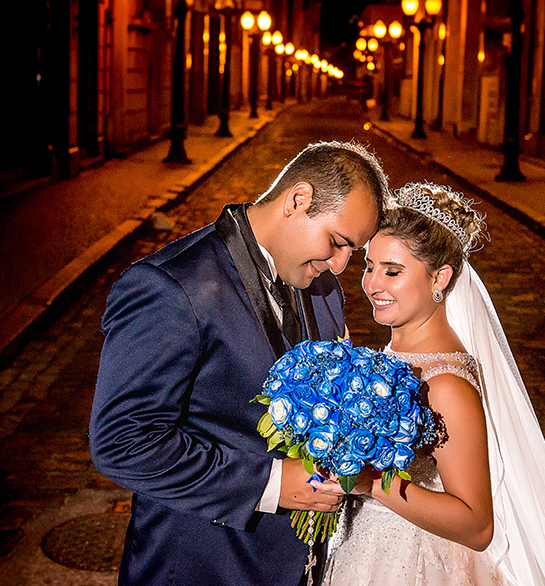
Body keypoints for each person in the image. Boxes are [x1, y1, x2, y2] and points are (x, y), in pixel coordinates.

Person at [89, 141, 390, 586]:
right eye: (336, 242)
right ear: (297, 200)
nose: (340, 265)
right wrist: (271, 484)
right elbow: (121, 442)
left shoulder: (323, 288)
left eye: (353, 251)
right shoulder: (169, 287)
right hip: (200, 568)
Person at [322, 182, 545, 586]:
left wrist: (371, 484)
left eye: (393, 271)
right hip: (361, 549)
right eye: (370, 266)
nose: (372, 284)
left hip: (414, 565)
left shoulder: (446, 386)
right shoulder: (392, 355)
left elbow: (477, 525)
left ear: (440, 278)